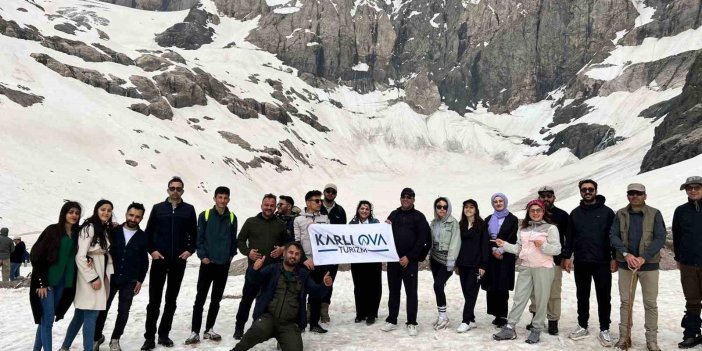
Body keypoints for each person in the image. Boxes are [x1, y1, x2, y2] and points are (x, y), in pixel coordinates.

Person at [230, 242, 332, 351]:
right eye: (291, 252)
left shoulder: (303, 274)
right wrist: (254, 269)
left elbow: (316, 292)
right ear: (284, 254)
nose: (293, 256)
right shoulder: (272, 269)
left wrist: (325, 285)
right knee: (248, 339)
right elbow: (254, 281)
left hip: (289, 324)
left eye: (297, 254)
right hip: (267, 318)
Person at [493, 200, 561, 344]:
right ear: (528, 213)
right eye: (532, 211)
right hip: (525, 267)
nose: (535, 213)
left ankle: (536, 329)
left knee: (541, 300)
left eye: (538, 210)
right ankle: (510, 328)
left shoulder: (550, 228)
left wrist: (543, 245)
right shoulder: (523, 229)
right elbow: (518, 249)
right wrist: (504, 245)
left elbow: (557, 249)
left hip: (543, 268)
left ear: (543, 212)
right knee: (519, 297)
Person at [142, 176, 197, 350]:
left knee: (171, 300)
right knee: (154, 301)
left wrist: (189, 250)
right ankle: (149, 337)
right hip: (159, 260)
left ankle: (164, 334)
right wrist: (152, 251)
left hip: (178, 262)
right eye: (172, 188)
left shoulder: (189, 210)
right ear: (167, 190)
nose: (175, 191)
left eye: (178, 188)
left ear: (182, 191)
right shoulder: (158, 209)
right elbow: (148, 233)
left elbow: (194, 234)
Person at [610, 183, 666, 351]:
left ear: (645, 195)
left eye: (638, 193)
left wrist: (643, 257)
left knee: (650, 303)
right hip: (626, 264)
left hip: (649, 265)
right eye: (631, 193)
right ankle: (624, 337)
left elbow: (660, 237)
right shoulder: (620, 214)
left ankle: (651, 340)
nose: (635, 196)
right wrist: (627, 254)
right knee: (626, 302)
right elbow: (613, 235)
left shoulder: (655, 213)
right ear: (628, 196)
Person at [562, 179, 616, 346]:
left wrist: (614, 257)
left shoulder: (607, 213)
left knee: (604, 296)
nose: (587, 191)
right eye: (584, 189)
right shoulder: (575, 213)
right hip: (582, 260)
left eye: (590, 189)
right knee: (582, 295)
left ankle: (604, 328)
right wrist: (566, 256)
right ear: (580, 191)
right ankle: (582, 325)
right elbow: (570, 238)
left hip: (602, 261)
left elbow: (613, 237)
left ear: (596, 191)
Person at [186, 187, 238, 345]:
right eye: (220, 197)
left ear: (228, 199)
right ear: (214, 198)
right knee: (200, 298)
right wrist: (203, 256)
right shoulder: (205, 215)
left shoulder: (232, 217)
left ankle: (209, 329)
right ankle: (195, 331)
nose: (222, 200)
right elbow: (199, 238)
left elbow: (233, 238)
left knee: (216, 299)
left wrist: (230, 256)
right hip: (208, 264)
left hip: (223, 265)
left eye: (225, 198)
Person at [94, 202, 150, 351]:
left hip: (130, 280)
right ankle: (96, 338)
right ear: (126, 214)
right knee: (102, 309)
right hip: (110, 277)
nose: (133, 218)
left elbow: (144, 260)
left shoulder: (143, 237)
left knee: (123, 311)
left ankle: (115, 340)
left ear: (142, 218)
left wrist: (140, 279)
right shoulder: (114, 230)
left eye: (138, 217)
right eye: (131, 215)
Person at [60, 200, 114, 351]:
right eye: (103, 209)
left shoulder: (103, 228)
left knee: (79, 315)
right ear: (97, 210)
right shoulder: (89, 227)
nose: (106, 213)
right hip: (89, 276)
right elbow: (80, 256)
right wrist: (93, 278)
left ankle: (64, 347)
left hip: (99, 271)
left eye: (109, 210)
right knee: (91, 314)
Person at [234, 194, 289, 339]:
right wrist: (248, 252)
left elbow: (289, 242)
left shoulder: (279, 224)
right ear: (261, 205)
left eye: (272, 205)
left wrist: (282, 249)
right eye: (266, 204)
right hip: (254, 269)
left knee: (266, 301)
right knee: (247, 299)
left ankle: (258, 328)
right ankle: (239, 328)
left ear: (275, 206)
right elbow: (240, 241)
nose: (269, 207)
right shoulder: (251, 222)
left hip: (272, 271)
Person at [30, 201, 82, 351]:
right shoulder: (52, 230)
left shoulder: (77, 233)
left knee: (46, 319)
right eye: (71, 212)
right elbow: (36, 255)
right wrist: (41, 283)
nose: (74, 215)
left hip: (64, 283)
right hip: (47, 282)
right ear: (64, 213)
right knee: (48, 320)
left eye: (77, 213)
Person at [380, 187, 431, 336]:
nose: (406, 199)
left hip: (409, 261)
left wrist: (411, 257)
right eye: (403, 196)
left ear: (413, 199)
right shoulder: (394, 214)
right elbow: (385, 233)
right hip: (393, 260)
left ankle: (412, 322)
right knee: (393, 291)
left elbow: (423, 239)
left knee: (411, 292)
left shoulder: (419, 217)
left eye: (409, 197)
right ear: (400, 198)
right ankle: (392, 319)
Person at [525, 186, 568, 335]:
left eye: (549, 196)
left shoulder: (562, 215)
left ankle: (553, 321)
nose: (546, 199)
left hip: (554, 261)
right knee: (535, 291)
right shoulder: (533, 215)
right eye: (542, 196)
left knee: (554, 291)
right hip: (535, 261)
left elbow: (568, 239)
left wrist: (565, 257)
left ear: (554, 197)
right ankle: (535, 318)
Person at [293, 190, 330, 333]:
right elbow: (296, 242)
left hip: (320, 262)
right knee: (300, 294)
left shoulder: (325, 218)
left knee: (316, 294)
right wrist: (303, 260)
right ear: (308, 202)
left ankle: (314, 323)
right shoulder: (298, 220)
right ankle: (300, 324)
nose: (320, 203)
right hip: (304, 263)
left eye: (320, 200)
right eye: (317, 201)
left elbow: (329, 239)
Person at [481, 193, 518, 328]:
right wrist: (492, 250)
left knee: (502, 285)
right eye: (495, 201)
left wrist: (501, 250)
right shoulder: (488, 219)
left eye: (500, 201)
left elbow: (513, 237)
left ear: (505, 202)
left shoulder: (512, 219)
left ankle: (502, 315)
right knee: (492, 285)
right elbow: (485, 237)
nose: (498, 203)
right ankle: (495, 314)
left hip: (505, 256)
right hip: (491, 256)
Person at [674, 176, 702, 348]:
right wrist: (678, 258)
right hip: (688, 263)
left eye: (697, 187)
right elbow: (677, 236)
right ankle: (692, 334)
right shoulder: (681, 211)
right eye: (689, 188)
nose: (693, 190)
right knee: (692, 300)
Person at [454, 199, 489, 333]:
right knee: (466, 292)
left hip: (476, 265)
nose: (468, 209)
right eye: (466, 207)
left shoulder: (481, 225)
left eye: (471, 207)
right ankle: (472, 319)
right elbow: (457, 245)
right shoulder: (460, 225)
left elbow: (485, 246)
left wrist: (483, 265)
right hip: (463, 264)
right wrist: (457, 263)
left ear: (476, 209)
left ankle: (466, 321)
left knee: (472, 292)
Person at [429, 197, 461, 330]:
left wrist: (452, 262)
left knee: (437, 285)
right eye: (439, 206)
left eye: (445, 207)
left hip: (447, 259)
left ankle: (444, 316)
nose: (442, 209)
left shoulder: (453, 223)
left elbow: (455, 242)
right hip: (434, 259)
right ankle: (441, 315)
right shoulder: (433, 222)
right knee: (439, 287)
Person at [349, 200, 382, 325]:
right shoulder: (351, 224)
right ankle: (360, 313)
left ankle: (372, 313)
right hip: (357, 261)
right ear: (358, 210)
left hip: (373, 261)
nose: (364, 211)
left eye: (367, 209)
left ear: (370, 211)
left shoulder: (376, 223)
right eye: (362, 208)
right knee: (359, 287)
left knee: (373, 287)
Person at [318, 183, 347, 323]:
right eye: (328, 191)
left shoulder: (340, 211)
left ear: (336, 194)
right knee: (315, 279)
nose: (330, 193)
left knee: (329, 281)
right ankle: (311, 309)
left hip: (333, 253)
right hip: (318, 252)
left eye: (333, 192)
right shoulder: (316, 206)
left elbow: (343, 233)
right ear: (324, 192)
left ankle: (324, 310)